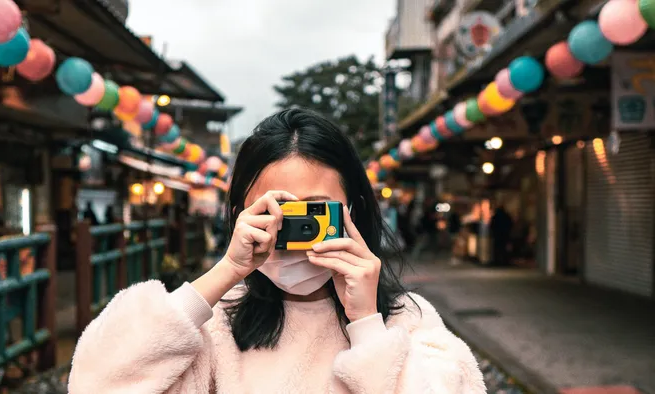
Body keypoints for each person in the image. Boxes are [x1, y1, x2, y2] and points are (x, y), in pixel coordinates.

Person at [68, 108, 485, 393]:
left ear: (354, 212)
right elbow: (97, 381)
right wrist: (225, 272)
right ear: (238, 216)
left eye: (315, 212)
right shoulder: (212, 326)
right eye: (276, 210)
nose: (296, 231)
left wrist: (367, 326)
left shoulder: (406, 322)